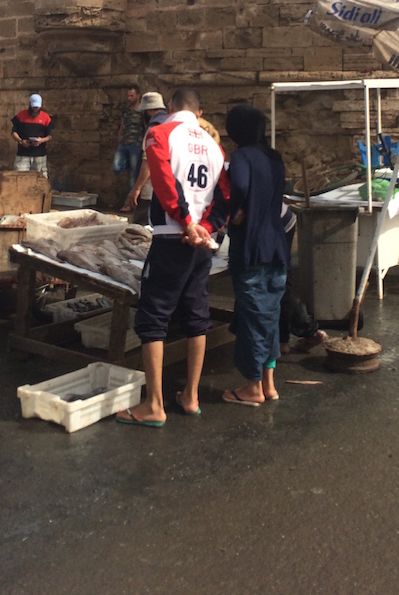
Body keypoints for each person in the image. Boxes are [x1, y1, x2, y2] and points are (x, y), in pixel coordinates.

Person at [117, 86, 229, 426]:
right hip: (202, 243)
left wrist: (185, 221)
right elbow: (224, 195)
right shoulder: (214, 145)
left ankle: (154, 405)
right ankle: (191, 396)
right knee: (197, 314)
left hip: (171, 237)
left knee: (153, 318)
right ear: (199, 112)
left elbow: (165, 183)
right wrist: (205, 226)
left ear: (170, 106)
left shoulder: (160, 133)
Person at [222, 104, 289, 407]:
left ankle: (252, 387)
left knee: (251, 318)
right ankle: (268, 383)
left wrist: (233, 213)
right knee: (269, 316)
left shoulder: (241, 157)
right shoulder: (275, 158)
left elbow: (239, 186)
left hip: (251, 248)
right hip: (277, 247)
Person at [278, 204, 328, 354]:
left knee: (279, 282)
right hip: (269, 220)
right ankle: (283, 339)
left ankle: (308, 332)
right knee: (280, 283)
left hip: (277, 223)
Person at [125, 91, 168, 224]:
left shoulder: (153, 129)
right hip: (166, 188)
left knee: (138, 230)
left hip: (149, 190)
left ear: (148, 110)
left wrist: (137, 188)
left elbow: (148, 162)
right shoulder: (169, 124)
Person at [113, 84, 144, 210]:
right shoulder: (126, 110)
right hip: (124, 144)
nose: (129, 98)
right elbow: (122, 126)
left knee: (133, 176)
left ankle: (128, 204)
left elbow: (145, 126)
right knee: (116, 166)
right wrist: (119, 140)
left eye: (132, 96)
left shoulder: (142, 110)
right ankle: (129, 165)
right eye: (128, 96)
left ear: (137, 96)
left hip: (136, 144)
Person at [11, 94, 52, 177]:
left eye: (37, 107)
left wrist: (41, 141)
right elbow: (13, 132)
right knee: (19, 176)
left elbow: (50, 135)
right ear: (30, 104)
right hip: (23, 154)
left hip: (39, 155)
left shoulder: (46, 117)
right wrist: (21, 141)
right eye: (34, 107)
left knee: (40, 178)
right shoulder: (21, 115)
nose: (35, 109)